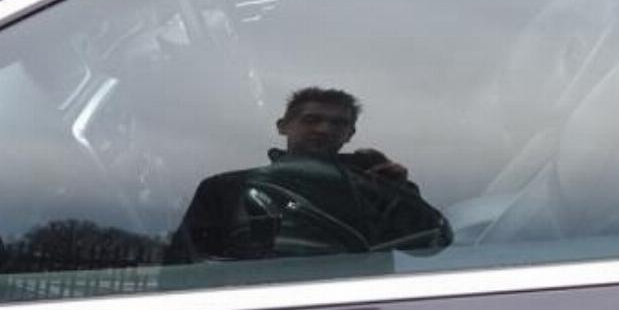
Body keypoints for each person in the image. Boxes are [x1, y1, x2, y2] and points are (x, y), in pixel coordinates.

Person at [168, 87, 450, 263]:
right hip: (250, 306)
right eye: (311, 120)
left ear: (350, 134)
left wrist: (396, 189)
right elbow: (185, 267)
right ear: (283, 126)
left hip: (360, 306)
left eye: (337, 123)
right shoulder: (226, 189)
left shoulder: (374, 185)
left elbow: (430, 244)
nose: (324, 129)